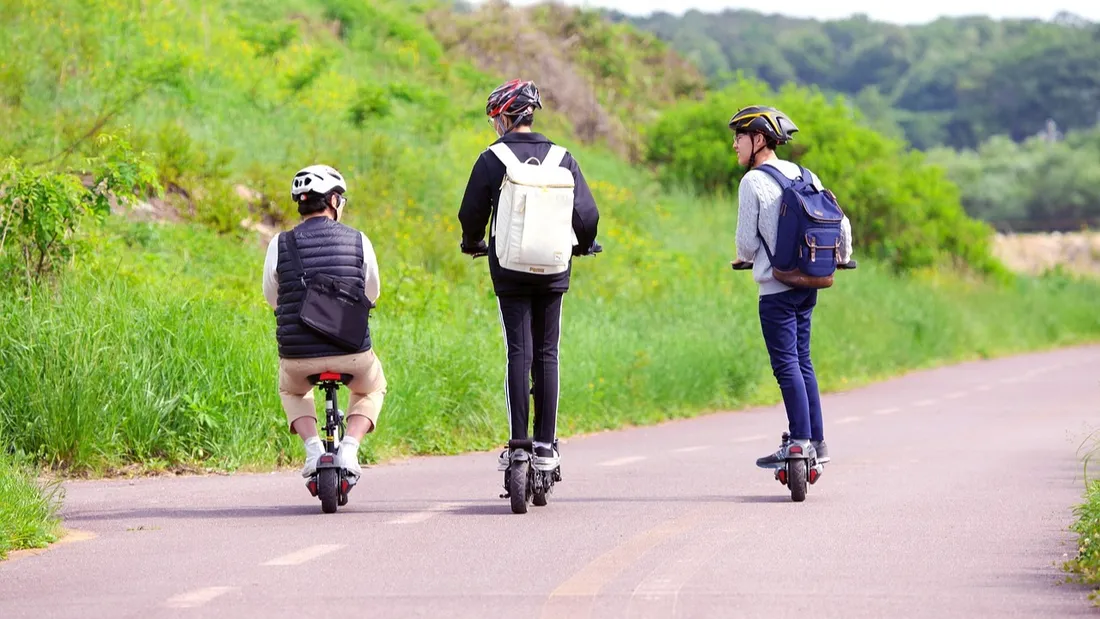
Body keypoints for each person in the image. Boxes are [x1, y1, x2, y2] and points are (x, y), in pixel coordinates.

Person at [458, 79, 601, 474]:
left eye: (495, 118)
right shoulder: (562, 157)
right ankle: (545, 445)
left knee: (518, 352)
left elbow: (470, 213)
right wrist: (585, 244)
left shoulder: (492, 159)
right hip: (554, 268)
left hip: (508, 268)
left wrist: (472, 242)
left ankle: (519, 444)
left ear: (505, 116)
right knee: (547, 353)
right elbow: (587, 215)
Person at [728, 105, 853, 468]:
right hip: (809, 281)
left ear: (759, 139)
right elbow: (840, 223)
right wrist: (841, 258)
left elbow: (746, 244)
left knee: (786, 365)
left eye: (739, 137)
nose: (735, 145)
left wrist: (743, 257)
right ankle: (817, 441)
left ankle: (798, 442)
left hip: (776, 289)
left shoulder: (752, 181)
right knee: (803, 361)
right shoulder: (804, 173)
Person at [262, 164, 387, 483]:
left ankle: (314, 450)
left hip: (298, 354)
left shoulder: (280, 243)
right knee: (372, 387)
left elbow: (272, 298)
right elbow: (371, 293)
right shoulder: (360, 240)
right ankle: (349, 447)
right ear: (333, 201)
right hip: (351, 350)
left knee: (292, 388)